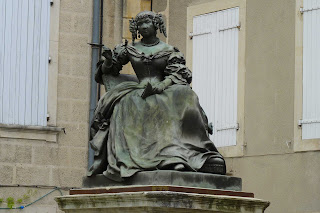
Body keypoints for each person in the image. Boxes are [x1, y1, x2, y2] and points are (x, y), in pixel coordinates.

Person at [88, 11, 226, 182]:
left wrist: (161, 86)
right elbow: (109, 71)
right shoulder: (129, 48)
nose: (143, 27)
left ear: (156, 25)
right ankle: (159, 159)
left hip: (164, 88)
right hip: (137, 91)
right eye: (140, 24)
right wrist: (108, 60)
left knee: (186, 95)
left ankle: (190, 154)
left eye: (147, 23)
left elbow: (178, 74)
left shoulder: (168, 50)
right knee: (127, 104)